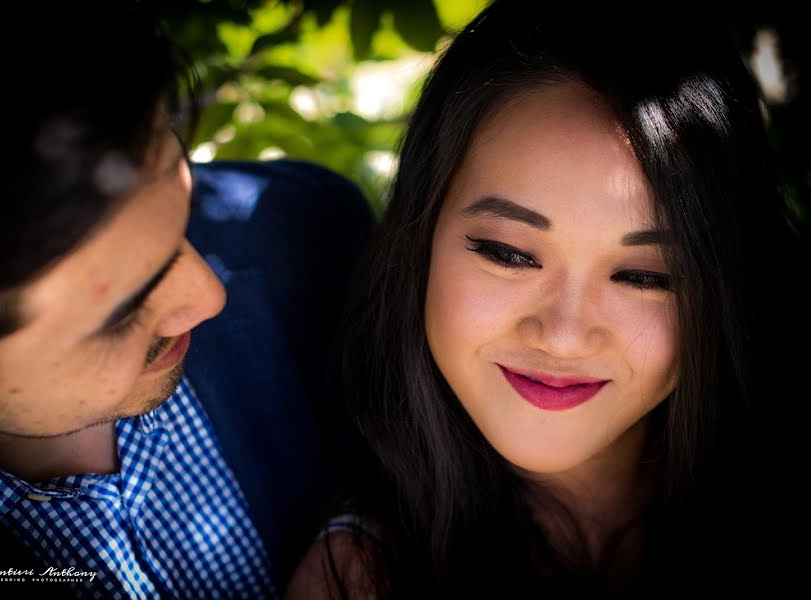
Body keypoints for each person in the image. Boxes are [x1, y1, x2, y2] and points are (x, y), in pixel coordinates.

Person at [287, 2, 808, 597]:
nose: (562, 335)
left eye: (643, 275)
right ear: (420, 237)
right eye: (508, 253)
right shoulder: (358, 580)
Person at [0, 3, 372, 598]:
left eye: (180, 213)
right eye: (122, 312)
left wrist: (368, 529)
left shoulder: (306, 232)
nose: (208, 296)